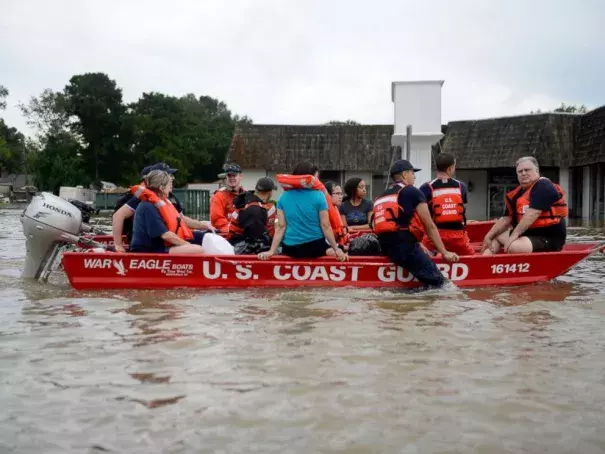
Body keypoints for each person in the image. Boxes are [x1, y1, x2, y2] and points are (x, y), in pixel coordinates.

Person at [372, 159, 459, 288]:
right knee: (443, 285)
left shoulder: (381, 196)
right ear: (404, 175)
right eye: (413, 173)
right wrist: (444, 252)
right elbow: (429, 225)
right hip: (406, 249)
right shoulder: (412, 191)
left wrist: (418, 243)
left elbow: (394, 222)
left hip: (387, 248)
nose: (414, 176)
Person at [112, 162, 214, 252]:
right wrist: (118, 245)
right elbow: (118, 216)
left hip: (164, 239)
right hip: (150, 244)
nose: (172, 178)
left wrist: (203, 225)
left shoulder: (167, 199)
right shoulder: (144, 200)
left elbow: (181, 219)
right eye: (169, 175)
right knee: (196, 249)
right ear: (160, 180)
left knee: (203, 237)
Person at [258, 162, 348, 261]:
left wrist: (271, 251)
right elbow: (325, 226)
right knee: (337, 248)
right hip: (314, 247)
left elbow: (280, 227)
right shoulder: (319, 195)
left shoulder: (283, 197)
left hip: (290, 249)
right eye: (316, 178)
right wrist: (336, 249)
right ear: (310, 179)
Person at [481, 156, 568, 254]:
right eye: (520, 171)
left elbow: (533, 213)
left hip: (548, 237)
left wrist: (514, 235)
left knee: (513, 247)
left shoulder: (544, 185)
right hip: (526, 235)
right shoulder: (516, 194)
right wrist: (488, 235)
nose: (523, 173)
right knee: (495, 236)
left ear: (536, 170)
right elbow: (506, 218)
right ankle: (484, 262)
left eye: (527, 170)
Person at [129, 170, 206, 254]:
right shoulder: (148, 207)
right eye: (169, 185)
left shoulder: (161, 203)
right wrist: (188, 245)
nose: (170, 188)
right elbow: (165, 235)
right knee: (198, 250)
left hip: (161, 246)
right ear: (162, 188)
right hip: (148, 251)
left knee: (202, 238)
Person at [419, 153, 475, 256]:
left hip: (434, 236)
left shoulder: (426, 187)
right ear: (450, 168)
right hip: (458, 236)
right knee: (471, 257)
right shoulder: (461, 186)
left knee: (424, 255)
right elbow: (461, 210)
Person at [229, 177, 277, 254]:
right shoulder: (255, 209)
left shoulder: (247, 202)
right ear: (270, 192)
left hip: (237, 243)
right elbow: (256, 237)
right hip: (244, 248)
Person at [210, 163, 245, 235]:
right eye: (229, 175)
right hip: (225, 236)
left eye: (234, 175)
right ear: (226, 177)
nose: (231, 178)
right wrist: (233, 229)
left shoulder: (246, 195)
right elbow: (216, 219)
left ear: (241, 176)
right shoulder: (219, 196)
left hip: (243, 234)